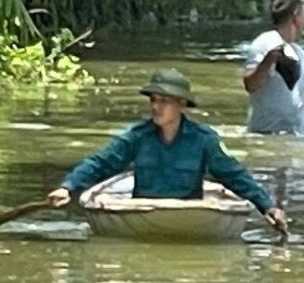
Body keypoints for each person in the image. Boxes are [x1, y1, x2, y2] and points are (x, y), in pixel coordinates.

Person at [49, 69, 289, 235]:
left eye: (164, 100)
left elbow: (235, 176)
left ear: (181, 104)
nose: (156, 106)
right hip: (142, 213)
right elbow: (101, 163)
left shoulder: (204, 140)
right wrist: (68, 186)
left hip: (189, 216)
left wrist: (267, 207)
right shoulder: (137, 136)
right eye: (153, 99)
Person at [243, 0, 304, 135]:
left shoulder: (299, 52)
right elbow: (250, 85)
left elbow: (301, 98)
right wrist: (268, 61)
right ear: (296, 15)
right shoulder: (264, 43)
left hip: (296, 136)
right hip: (267, 135)